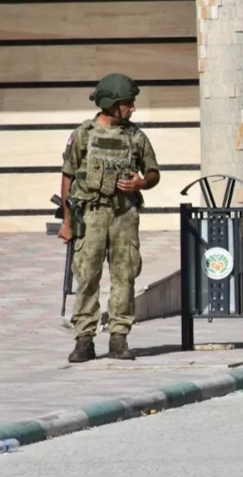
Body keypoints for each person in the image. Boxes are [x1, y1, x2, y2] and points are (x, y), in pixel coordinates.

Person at [58, 73, 160, 363]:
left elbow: (153, 172)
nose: (133, 108)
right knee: (87, 275)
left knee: (125, 275)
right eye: (128, 103)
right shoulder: (83, 135)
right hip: (89, 215)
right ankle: (84, 340)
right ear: (111, 104)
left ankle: (119, 337)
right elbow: (67, 177)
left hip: (123, 215)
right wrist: (67, 222)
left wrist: (141, 183)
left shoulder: (135, 136)